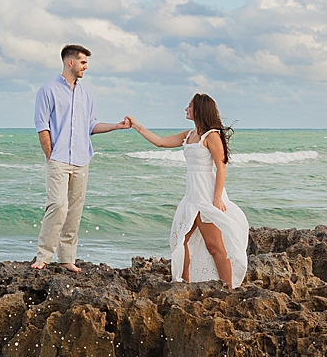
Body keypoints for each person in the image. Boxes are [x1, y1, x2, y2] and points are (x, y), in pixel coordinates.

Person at [127, 93, 248, 287]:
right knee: (179, 240)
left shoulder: (212, 136)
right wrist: (137, 126)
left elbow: (221, 166)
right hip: (191, 196)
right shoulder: (189, 135)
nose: (186, 109)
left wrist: (217, 198)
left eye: (189, 106)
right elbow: (160, 142)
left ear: (199, 109)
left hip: (206, 195)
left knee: (215, 246)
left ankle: (229, 288)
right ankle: (184, 283)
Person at [31, 44, 129, 271]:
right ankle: (43, 256)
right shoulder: (48, 90)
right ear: (70, 62)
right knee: (57, 205)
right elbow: (42, 125)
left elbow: (91, 125)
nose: (86, 67)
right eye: (83, 62)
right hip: (59, 158)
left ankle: (67, 259)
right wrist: (50, 154)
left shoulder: (87, 94)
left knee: (75, 210)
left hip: (82, 158)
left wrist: (116, 126)